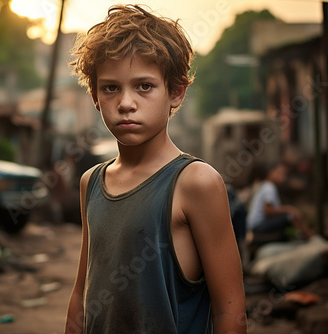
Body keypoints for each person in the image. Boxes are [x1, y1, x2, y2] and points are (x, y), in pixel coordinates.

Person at [65, 5, 246, 334]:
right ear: (94, 96)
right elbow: (82, 294)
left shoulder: (195, 183)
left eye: (144, 86)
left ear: (176, 92)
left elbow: (230, 313)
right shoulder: (91, 182)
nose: (126, 103)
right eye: (110, 88)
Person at [246, 162, 315, 239]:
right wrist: (289, 209)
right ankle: (310, 236)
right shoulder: (269, 187)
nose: (283, 177)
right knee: (291, 216)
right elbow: (267, 211)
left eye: (284, 174)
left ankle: (306, 235)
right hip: (258, 226)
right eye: (280, 173)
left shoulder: (265, 185)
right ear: (270, 173)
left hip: (255, 225)